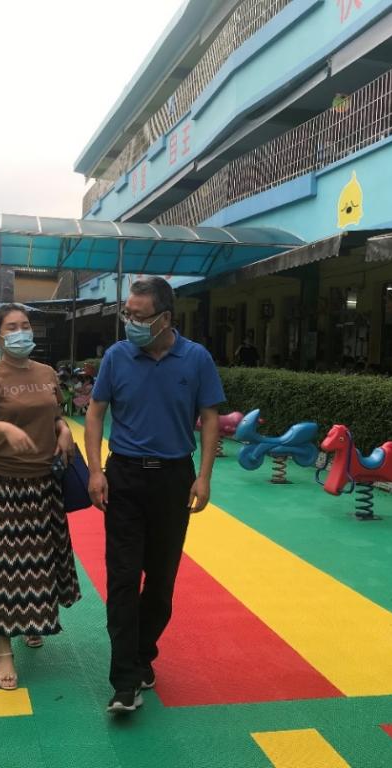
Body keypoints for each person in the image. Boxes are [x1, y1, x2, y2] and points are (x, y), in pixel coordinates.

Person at [85, 277, 224, 715]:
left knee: (161, 583)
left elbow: (210, 417)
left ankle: (143, 654)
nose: (131, 322)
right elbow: (95, 413)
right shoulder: (116, 356)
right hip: (124, 477)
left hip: (173, 479)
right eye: (127, 313)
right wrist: (95, 470)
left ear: (165, 318)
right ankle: (125, 681)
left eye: (139, 316)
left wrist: (204, 477)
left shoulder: (196, 358)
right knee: (123, 579)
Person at [0, 304, 82, 691]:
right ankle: (3, 649)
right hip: (3, 484)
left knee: (40, 561)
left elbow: (54, 414)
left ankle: (32, 621)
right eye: (11, 327)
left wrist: (64, 430)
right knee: (3, 566)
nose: (20, 332)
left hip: (44, 482)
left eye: (25, 325)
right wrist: (3, 429)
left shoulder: (46, 373)